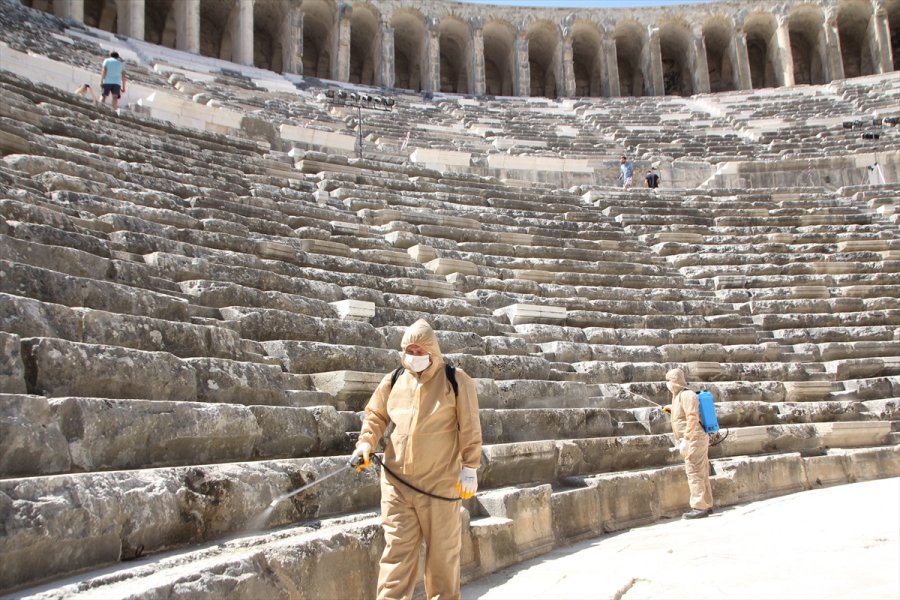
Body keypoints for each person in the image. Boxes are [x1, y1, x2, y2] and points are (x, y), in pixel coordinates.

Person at [351, 319, 483, 599]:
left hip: (439, 484)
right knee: (396, 555)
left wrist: (470, 467)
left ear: (433, 351)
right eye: (409, 350)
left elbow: (470, 426)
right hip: (397, 484)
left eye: (420, 351)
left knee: (442, 560)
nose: (415, 356)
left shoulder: (456, 380)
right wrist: (365, 442)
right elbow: (375, 415)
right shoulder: (395, 379)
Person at [665, 368, 713, 519]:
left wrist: (686, 438)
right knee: (701, 470)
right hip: (693, 438)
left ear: (676, 381)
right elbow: (682, 413)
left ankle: (699, 506)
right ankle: (706, 503)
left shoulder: (687, 395)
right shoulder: (679, 396)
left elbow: (692, 417)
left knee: (694, 470)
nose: (667, 384)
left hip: (694, 438)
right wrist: (670, 409)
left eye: (669, 381)